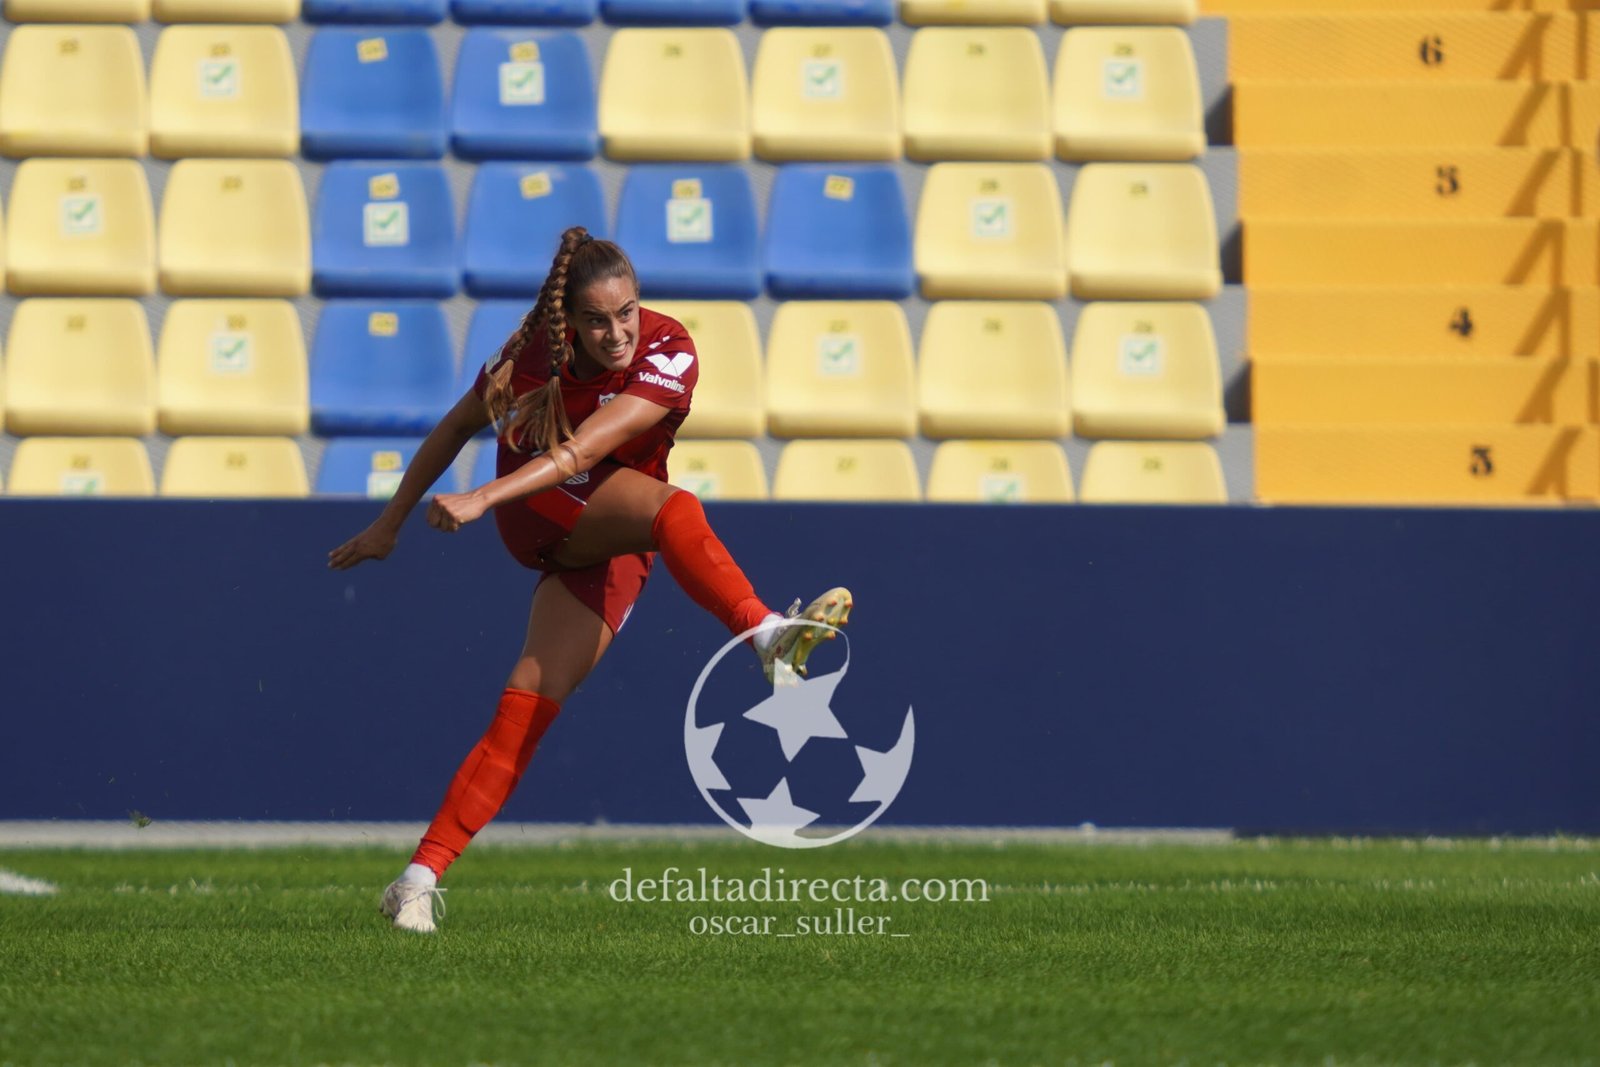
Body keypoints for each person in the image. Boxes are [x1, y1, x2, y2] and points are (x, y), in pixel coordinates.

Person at [328, 226, 851, 934]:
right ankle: (764, 634)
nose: (617, 333)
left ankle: (416, 879)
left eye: (626, 312)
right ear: (570, 321)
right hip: (538, 507)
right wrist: (392, 522)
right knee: (675, 508)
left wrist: (479, 497)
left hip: (606, 531)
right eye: (598, 320)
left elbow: (589, 449)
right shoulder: (532, 356)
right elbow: (456, 428)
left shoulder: (670, 348)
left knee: (527, 706)